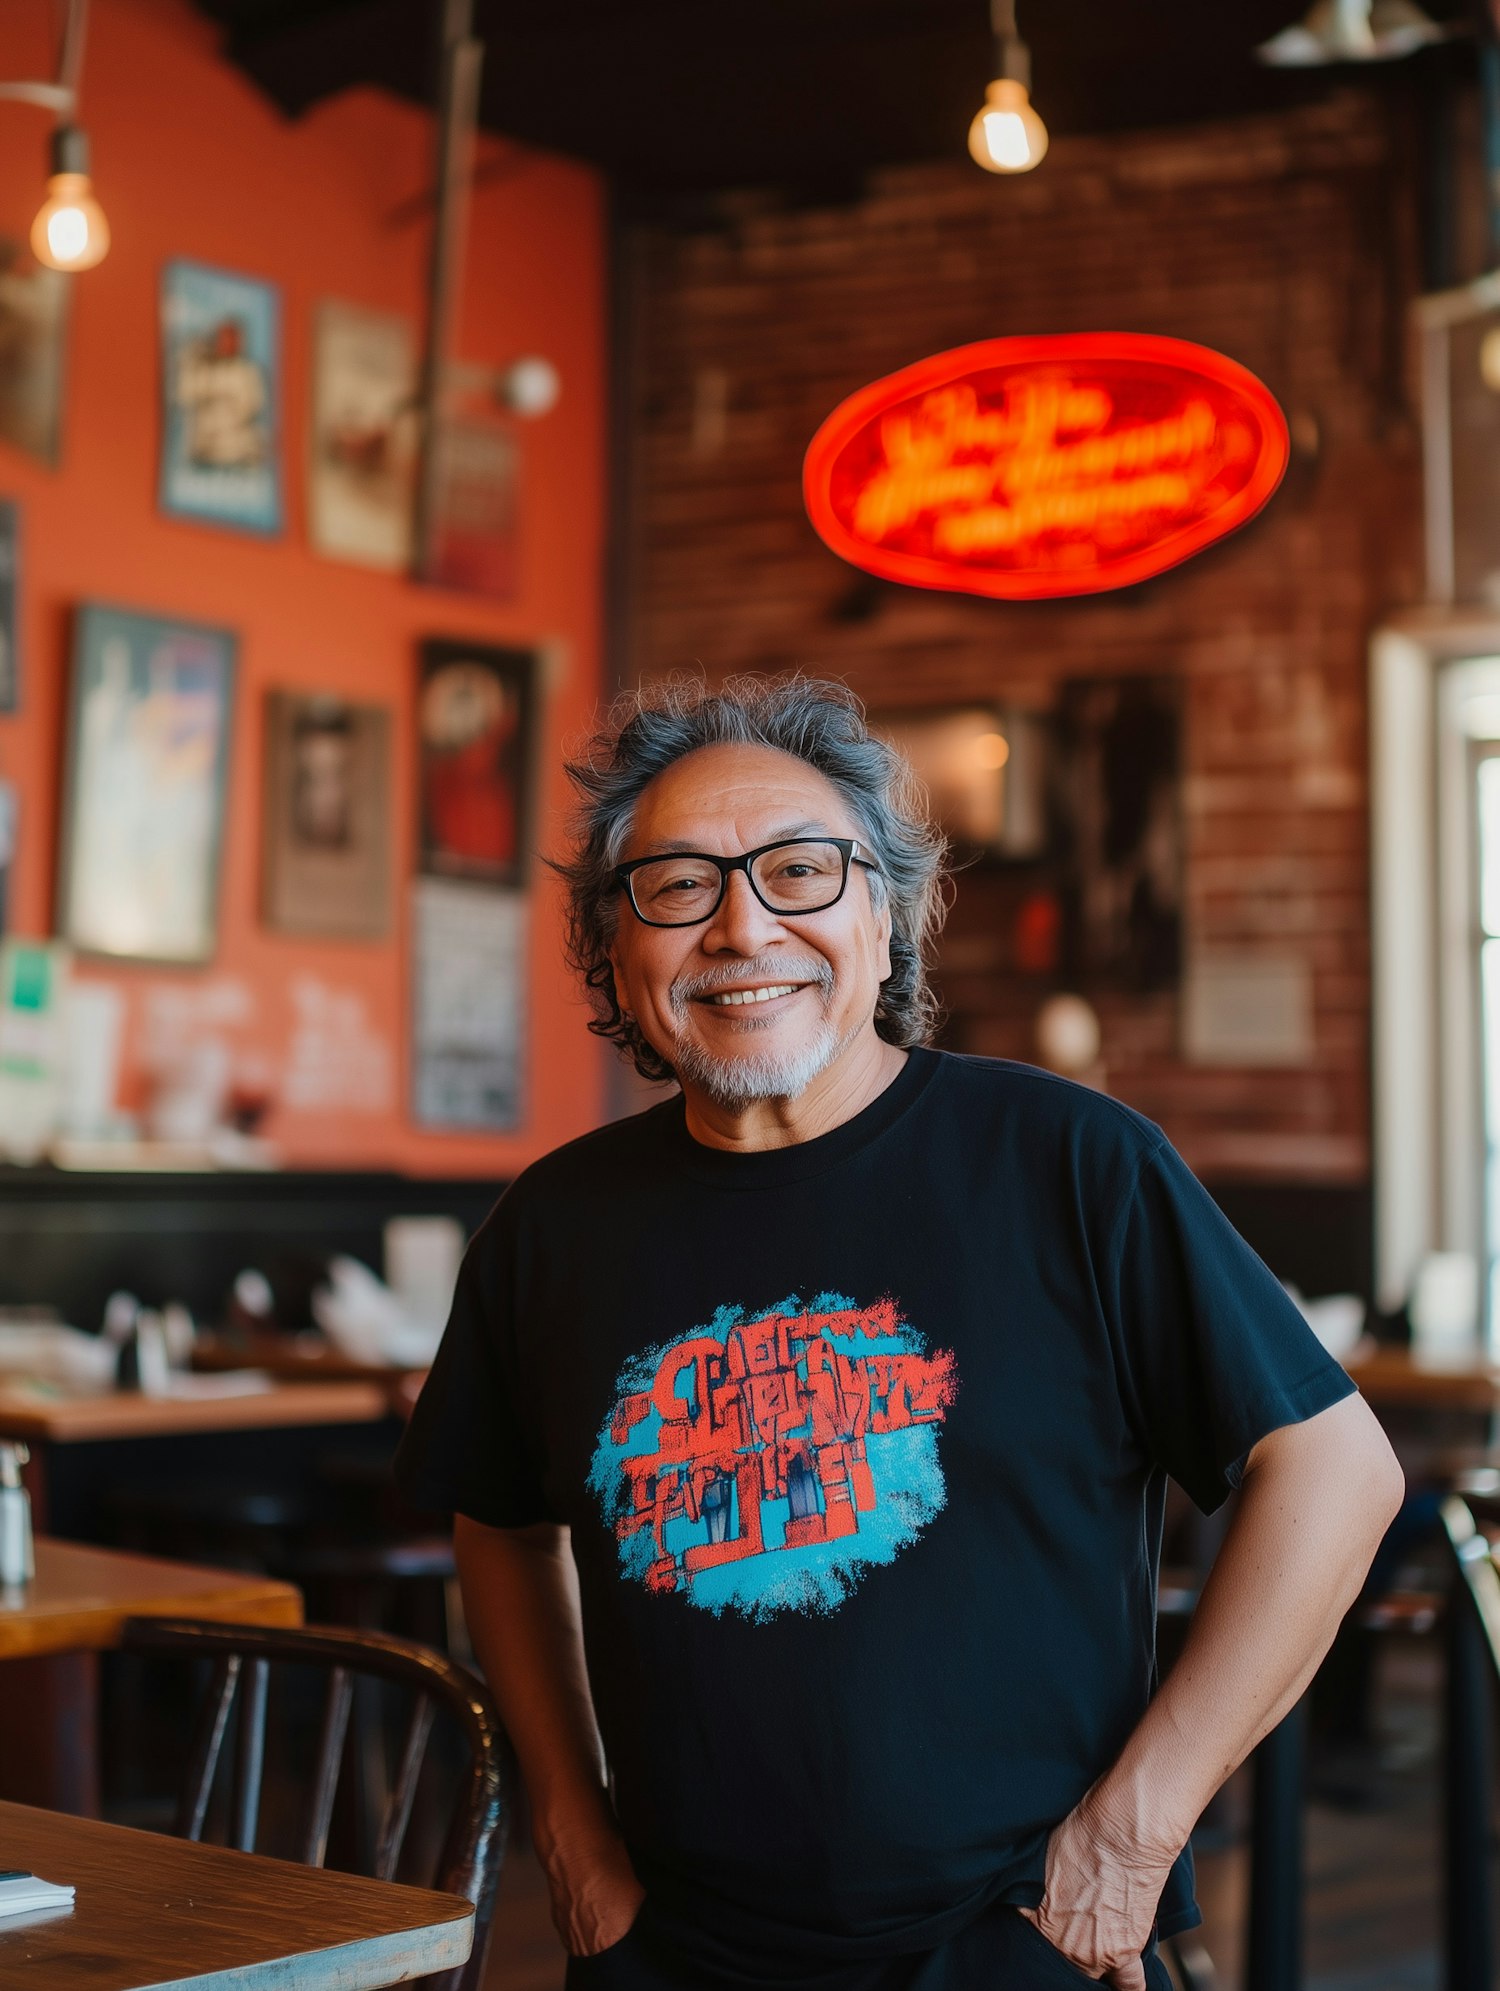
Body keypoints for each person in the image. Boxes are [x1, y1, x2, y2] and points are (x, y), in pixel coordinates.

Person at [396, 675, 1403, 1991]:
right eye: (679, 886)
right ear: (614, 947)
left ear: (887, 917)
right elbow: (500, 1521)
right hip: (675, 1952)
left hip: (1016, 1937)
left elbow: (1336, 1473)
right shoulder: (554, 1225)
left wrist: (1139, 1830)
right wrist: (571, 1826)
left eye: (801, 873)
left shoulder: (1068, 1165)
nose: (742, 928)